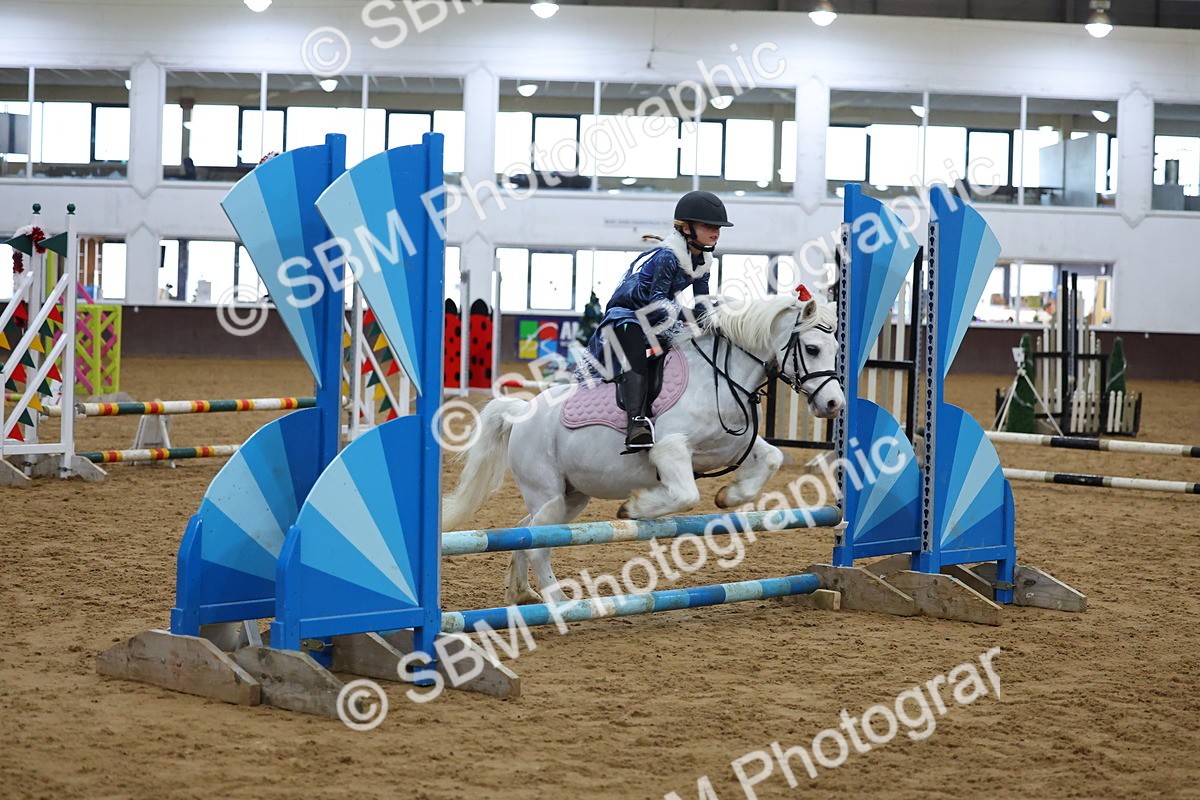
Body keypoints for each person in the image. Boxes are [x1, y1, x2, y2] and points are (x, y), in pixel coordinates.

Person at [586, 190, 733, 452]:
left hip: (657, 316)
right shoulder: (667, 256)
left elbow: (701, 302)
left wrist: (715, 317)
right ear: (687, 228)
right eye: (708, 226)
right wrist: (686, 319)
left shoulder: (703, 261)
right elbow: (656, 301)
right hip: (628, 314)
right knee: (636, 358)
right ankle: (636, 424)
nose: (715, 232)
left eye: (718, 228)